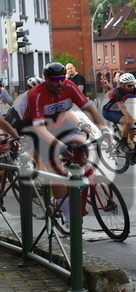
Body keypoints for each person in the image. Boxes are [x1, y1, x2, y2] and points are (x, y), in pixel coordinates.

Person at [23, 63, 110, 220]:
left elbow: (89, 109)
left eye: (62, 79)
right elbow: (40, 129)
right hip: (40, 130)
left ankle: (79, 181)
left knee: (82, 144)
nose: (59, 83)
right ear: (46, 79)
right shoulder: (35, 94)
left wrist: (104, 130)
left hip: (62, 124)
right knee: (58, 175)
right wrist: (60, 146)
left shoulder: (69, 85)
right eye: (55, 80)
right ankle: (68, 217)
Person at [102, 73, 136, 149]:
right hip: (108, 112)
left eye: (133, 84)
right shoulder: (117, 92)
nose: (132, 87)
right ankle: (124, 145)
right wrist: (135, 121)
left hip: (117, 110)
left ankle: (129, 144)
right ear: (123, 85)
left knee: (133, 129)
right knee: (127, 122)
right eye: (129, 85)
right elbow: (123, 110)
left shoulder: (132, 89)